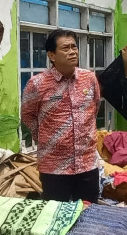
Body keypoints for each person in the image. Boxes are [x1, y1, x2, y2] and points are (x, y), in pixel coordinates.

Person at [21, 29, 101, 203]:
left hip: (87, 163)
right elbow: (28, 116)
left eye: (74, 47)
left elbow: (94, 108)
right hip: (54, 167)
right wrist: (47, 139)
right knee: (55, 216)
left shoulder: (89, 79)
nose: (72, 51)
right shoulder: (37, 84)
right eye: (65, 48)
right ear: (52, 55)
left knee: (89, 215)